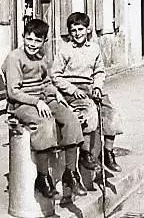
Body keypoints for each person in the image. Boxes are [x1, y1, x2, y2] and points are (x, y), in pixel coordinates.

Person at [2, 19, 86, 198]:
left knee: (70, 119)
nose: (32, 44)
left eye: (37, 41)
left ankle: (70, 173)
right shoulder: (14, 58)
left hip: (43, 99)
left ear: (44, 42)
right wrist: (36, 102)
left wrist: (56, 93)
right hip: (22, 104)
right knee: (45, 123)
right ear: (23, 37)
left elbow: (45, 82)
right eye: (29, 39)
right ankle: (43, 177)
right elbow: (13, 91)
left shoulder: (42, 57)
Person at [51, 12, 124, 175]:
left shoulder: (94, 49)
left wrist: (97, 87)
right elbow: (55, 75)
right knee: (90, 112)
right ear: (69, 32)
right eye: (74, 30)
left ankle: (108, 153)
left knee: (111, 114)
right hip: (72, 89)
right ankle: (85, 154)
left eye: (81, 29)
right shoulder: (65, 50)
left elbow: (99, 71)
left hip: (91, 87)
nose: (78, 33)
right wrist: (72, 90)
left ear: (88, 29)